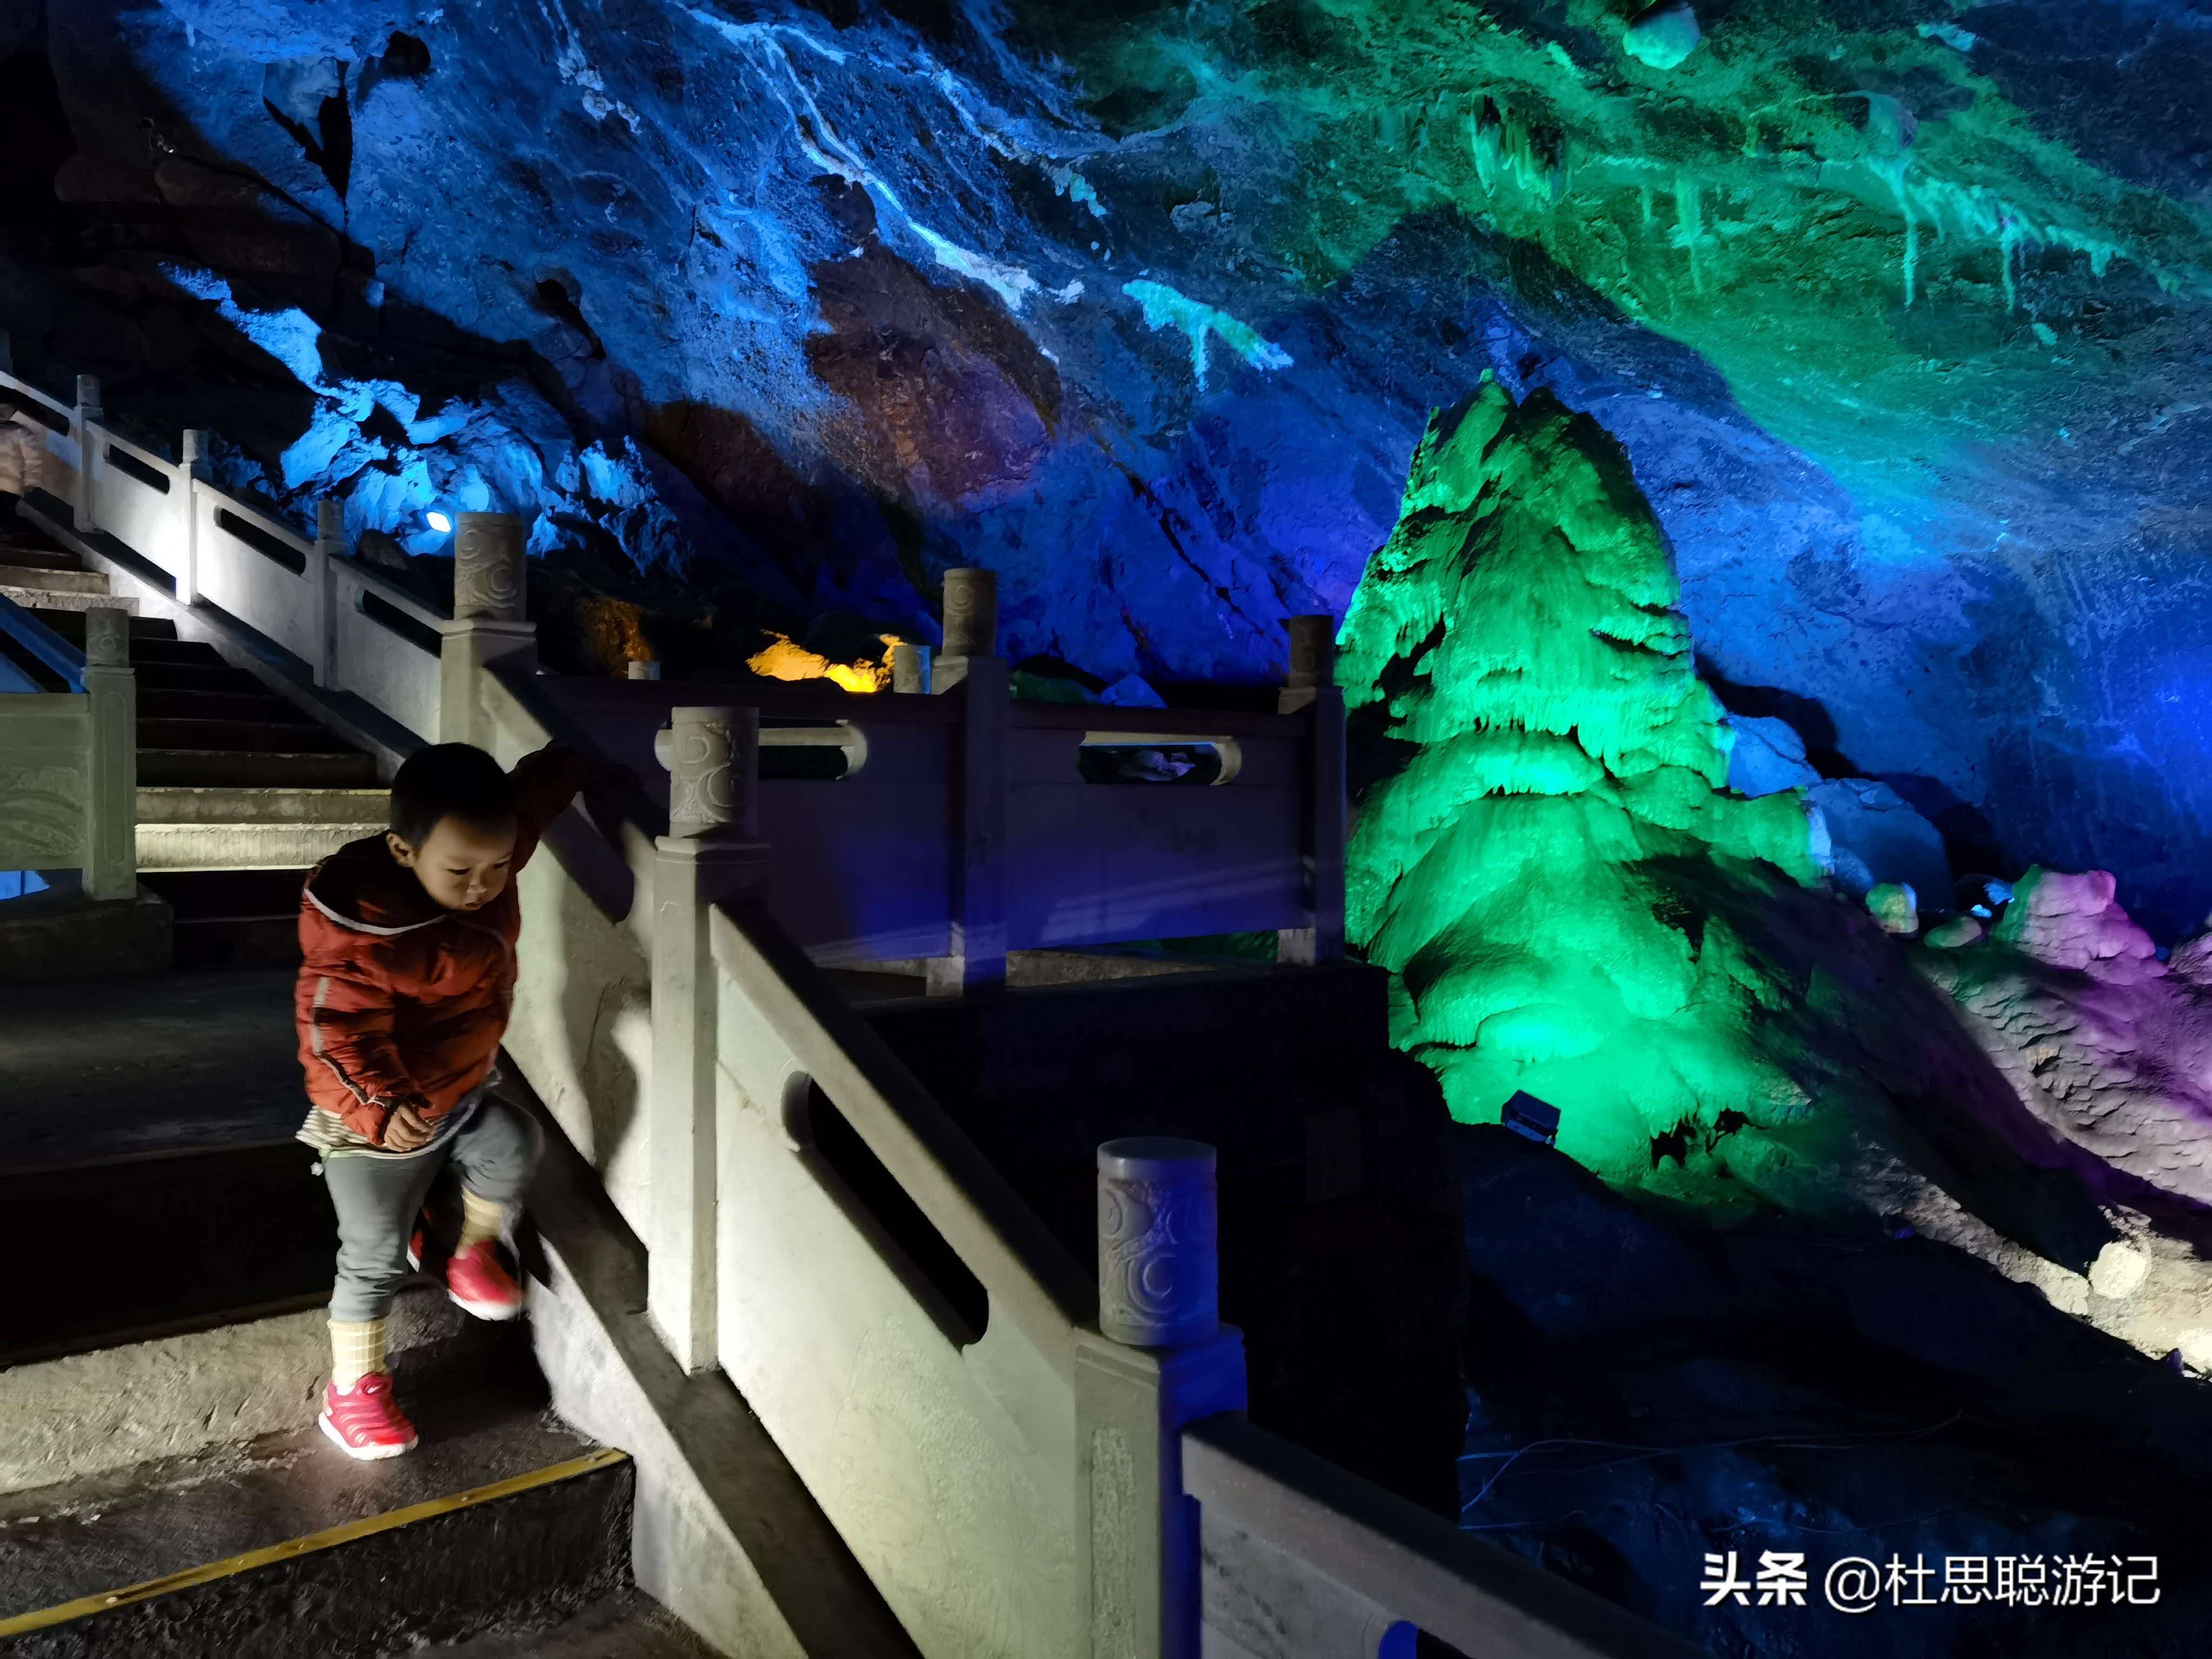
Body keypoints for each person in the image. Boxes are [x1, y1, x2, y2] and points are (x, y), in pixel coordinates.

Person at [295, 740, 594, 1459]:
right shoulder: (362, 935)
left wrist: (581, 754)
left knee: (515, 1140)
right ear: (403, 850)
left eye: (498, 867)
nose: (482, 886)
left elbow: (532, 799)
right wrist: (384, 1104)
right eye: (460, 871)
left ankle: (471, 1247)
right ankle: (353, 1391)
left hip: (455, 1096)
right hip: (371, 1123)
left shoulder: (485, 850)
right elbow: (339, 1032)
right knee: (371, 1257)